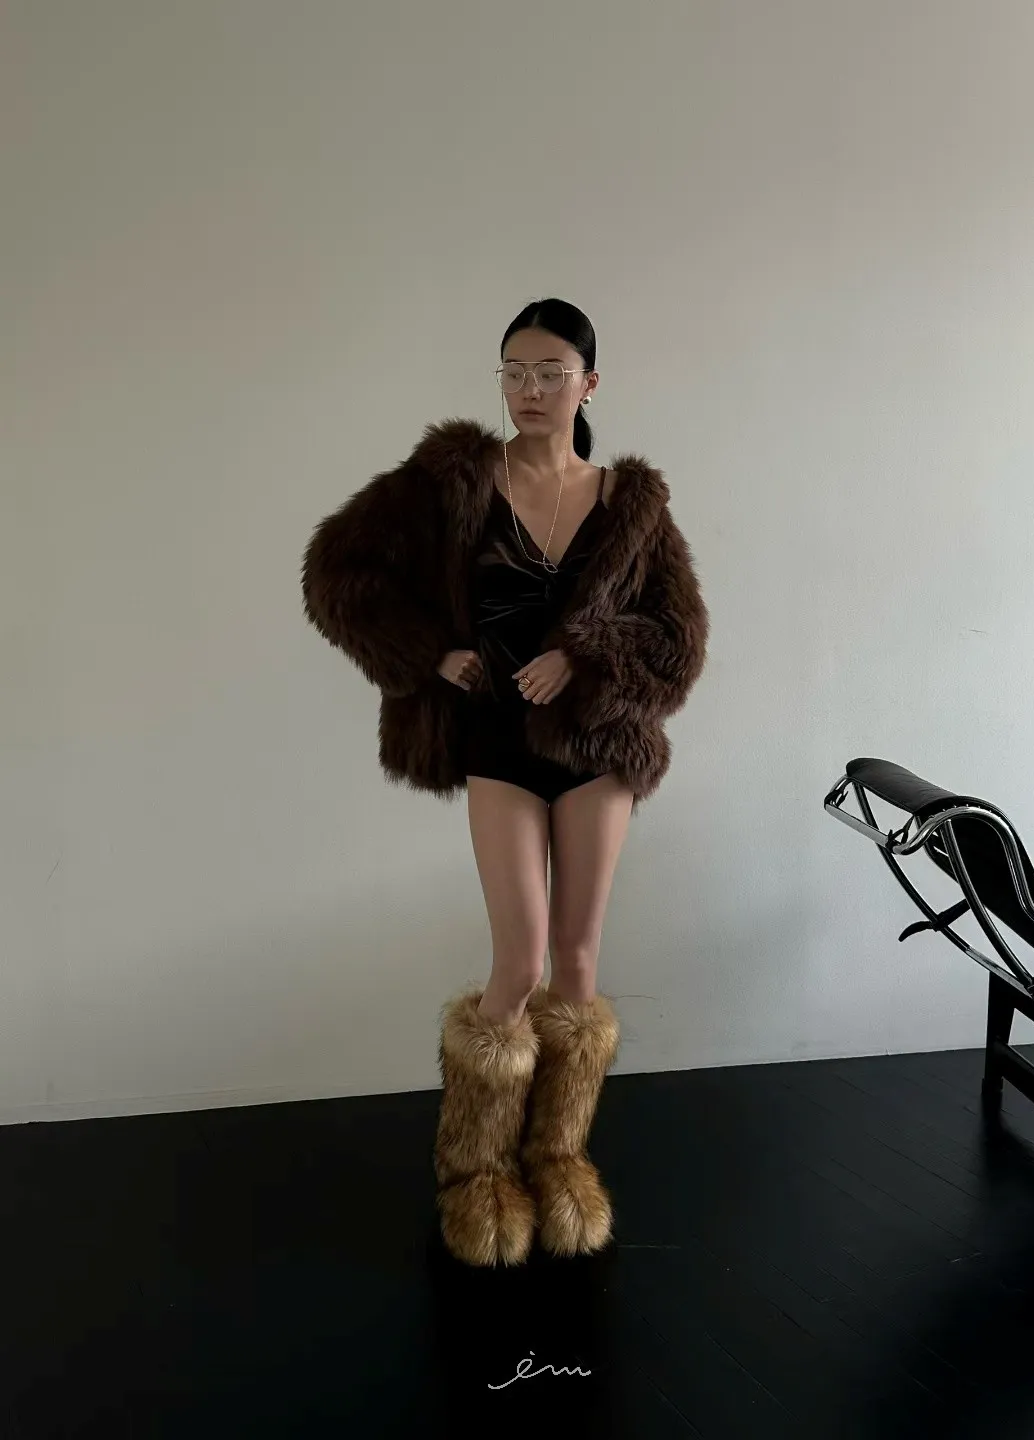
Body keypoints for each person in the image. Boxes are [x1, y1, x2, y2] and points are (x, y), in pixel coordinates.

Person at [301, 298, 709, 1267]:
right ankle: (476, 1166)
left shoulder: (632, 504)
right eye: (515, 372)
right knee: (519, 963)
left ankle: (558, 1158)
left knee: (577, 963)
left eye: (550, 372)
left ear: (588, 384)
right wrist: (427, 653)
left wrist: (583, 653)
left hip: (597, 751)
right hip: (498, 746)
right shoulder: (453, 482)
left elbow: (678, 644)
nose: (530, 390)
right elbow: (336, 575)